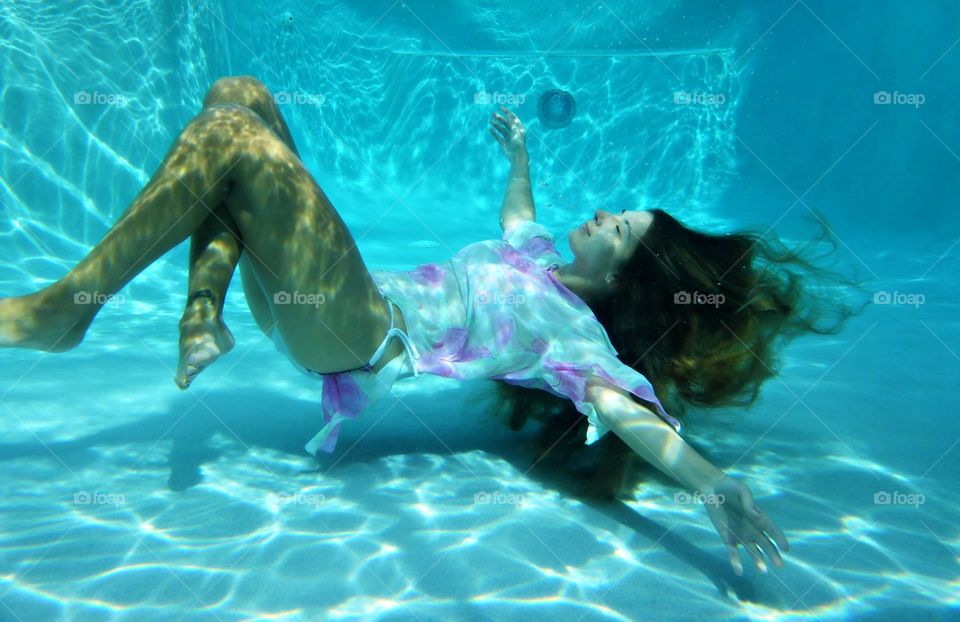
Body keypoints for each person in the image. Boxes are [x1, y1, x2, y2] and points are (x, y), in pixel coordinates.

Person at [1, 76, 834, 577]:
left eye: (620, 227)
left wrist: (713, 485)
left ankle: (66, 311)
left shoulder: (576, 338)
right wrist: (516, 154)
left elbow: (626, 418)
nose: (607, 212)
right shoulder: (540, 256)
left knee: (229, 138)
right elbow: (518, 214)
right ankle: (199, 316)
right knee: (239, 98)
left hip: (355, 329)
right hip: (324, 293)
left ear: (624, 276)